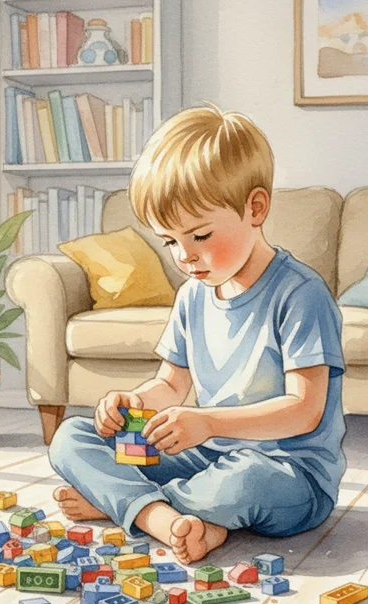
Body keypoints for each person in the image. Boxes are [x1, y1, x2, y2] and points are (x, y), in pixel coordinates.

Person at [49, 102, 346, 564]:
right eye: (170, 241)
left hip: (287, 473)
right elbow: (171, 384)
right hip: (204, 456)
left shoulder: (300, 293)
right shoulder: (192, 295)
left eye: (200, 236)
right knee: (70, 437)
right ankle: (171, 519)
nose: (184, 256)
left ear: (256, 208)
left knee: (242, 481)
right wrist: (132, 402)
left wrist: (207, 423)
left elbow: (304, 411)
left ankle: (127, 504)